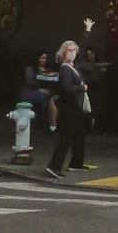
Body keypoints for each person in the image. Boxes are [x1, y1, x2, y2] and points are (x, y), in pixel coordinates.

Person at [45, 41, 88, 179]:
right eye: (70, 50)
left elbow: (83, 46)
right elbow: (67, 88)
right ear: (63, 53)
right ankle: (54, 166)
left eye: (74, 50)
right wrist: (81, 88)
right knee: (66, 136)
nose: (73, 53)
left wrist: (87, 32)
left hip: (76, 105)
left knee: (79, 134)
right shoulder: (65, 69)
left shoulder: (73, 66)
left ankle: (76, 162)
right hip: (70, 106)